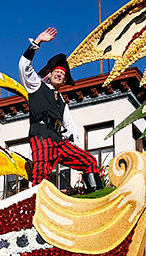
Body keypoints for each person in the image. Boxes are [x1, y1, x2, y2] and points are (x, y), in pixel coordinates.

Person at [17, 28, 103, 192]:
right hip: (41, 136)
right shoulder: (36, 85)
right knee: (41, 175)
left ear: (64, 81)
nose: (59, 75)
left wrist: (75, 145)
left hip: (59, 141)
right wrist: (38, 42)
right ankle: (38, 203)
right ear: (49, 75)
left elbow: (70, 125)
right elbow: (23, 66)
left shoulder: (62, 101)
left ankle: (97, 196)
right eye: (56, 72)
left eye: (62, 75)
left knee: (89, 161)